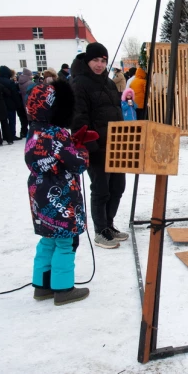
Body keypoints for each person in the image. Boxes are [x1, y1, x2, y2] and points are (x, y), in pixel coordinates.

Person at [25, 80, 93, 306]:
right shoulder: (57, 133)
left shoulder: (33, 131)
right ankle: (63, 289)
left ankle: (42, 286)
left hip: (39, 195)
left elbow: (51, 157)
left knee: (47, 240)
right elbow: (78, 165)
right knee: (66, 242)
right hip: (61, 196)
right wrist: (81, 148)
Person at [71, 42, 126, 249]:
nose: (99, 64)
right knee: (101, 189)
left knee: (117, 187)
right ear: (87, 60)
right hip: (95, 147)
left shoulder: (110, 83)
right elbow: (78, 117)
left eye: (103, 60)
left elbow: (116, 113)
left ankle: (109, 225)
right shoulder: (79, 83)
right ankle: (100, 230)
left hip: (116, 145)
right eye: (95, 60)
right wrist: (89, 145)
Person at [0, 66, 24, 140]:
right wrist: (18, 104)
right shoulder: (9, 82)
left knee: (3, 121)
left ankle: (5, 135)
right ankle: (12, 134)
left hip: (0, 104)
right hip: (10, 103)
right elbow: (14, 94)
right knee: (12, 120)